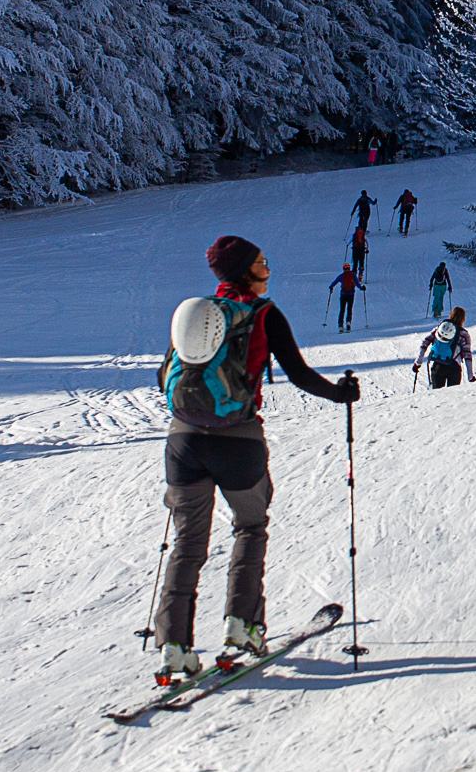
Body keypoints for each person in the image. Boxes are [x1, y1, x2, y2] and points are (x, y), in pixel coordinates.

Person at [152, 236, 359, 684]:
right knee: (249, 526)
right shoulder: (264, 314)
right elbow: (299, 373)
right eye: (263, 263)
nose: (269, 268)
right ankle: (242, 627)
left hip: (183, 441)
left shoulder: (193, 312)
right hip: (238, 441)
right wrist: (342, 393)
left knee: (187, 545)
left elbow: (162, 373)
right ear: (248, 270)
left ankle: (174, 648)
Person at [413, 306, 476, 388]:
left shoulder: (440, 328)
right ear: (463, 319)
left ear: (451, 315)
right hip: (454, 368)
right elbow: (467, 355)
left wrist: (418, 362)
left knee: (438, 397)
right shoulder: (464, 334)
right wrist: (470, 376)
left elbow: (425, 342)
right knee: (452, 397)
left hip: (438, 365)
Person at [329, 263, 361, 332]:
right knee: (349, 309)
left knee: (342, 309)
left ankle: (340, 325)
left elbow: (334, 283)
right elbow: (357, 284)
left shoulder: (341, 276)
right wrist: (362, 288)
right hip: (351, 294)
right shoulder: (353, 274)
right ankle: (348, 323)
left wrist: (331, 287)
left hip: (343, 294)